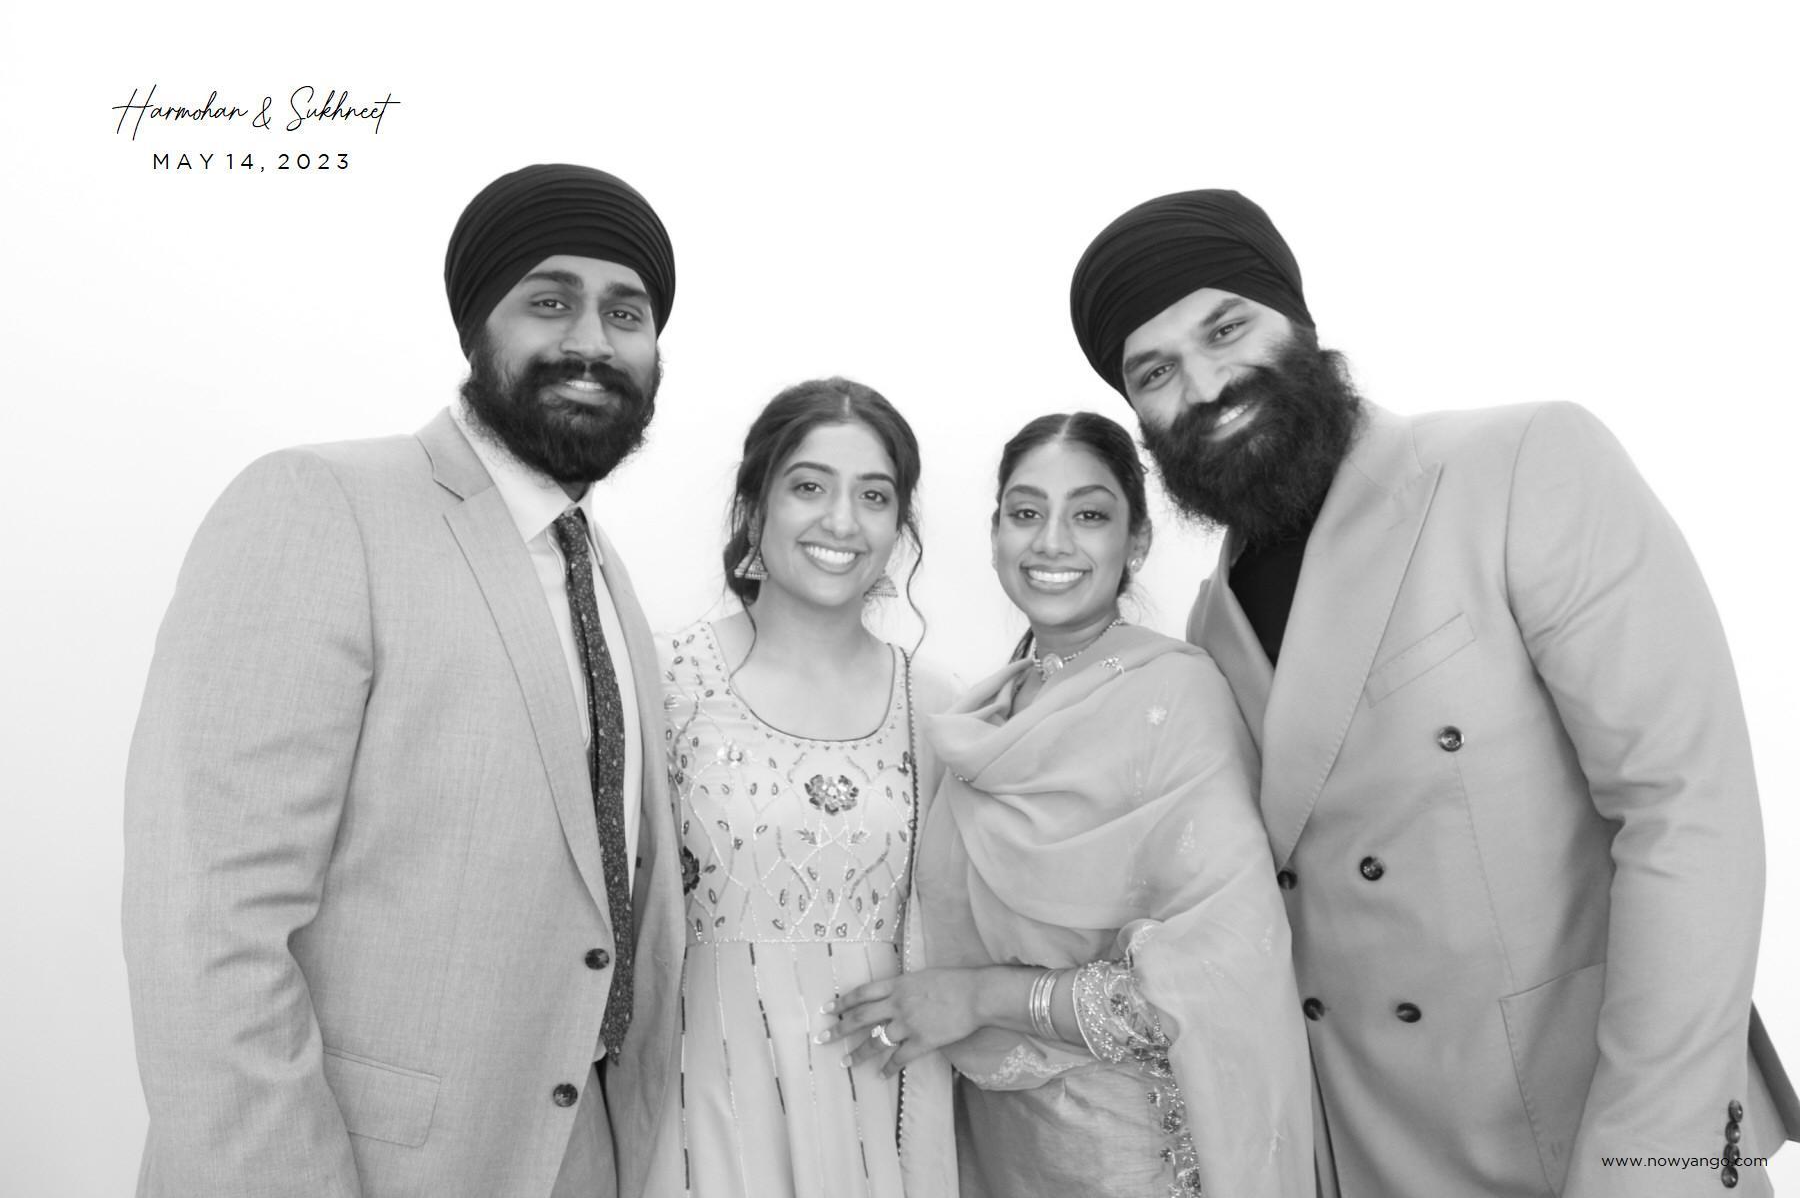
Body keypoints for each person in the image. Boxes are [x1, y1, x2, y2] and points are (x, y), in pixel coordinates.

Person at [1067, 188, 1799, 1196]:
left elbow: (1689, 817)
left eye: (1226, 328)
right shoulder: (1207, 630)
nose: (1206, 384)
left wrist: (1652, 1163)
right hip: (1373, 1156)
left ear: (1299, 322)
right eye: (1155, 371)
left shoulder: (1521, 464)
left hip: (1589, 1137)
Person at [123, 163, 687, 1198]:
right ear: (478, 326)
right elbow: (207, 918)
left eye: (627, 312)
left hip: (582, 1155)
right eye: (550, 301)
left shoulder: (604, 574)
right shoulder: (323, 504)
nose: (593, 341)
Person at [828, 412, 1312, 1197]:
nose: (1051, 542)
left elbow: (1216, 975)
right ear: (996, 535)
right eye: (1026, 513)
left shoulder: (1175, 695)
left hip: (1129, 1155)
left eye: (1088, 515)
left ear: (1137, 541)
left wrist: (979, 995)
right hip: (995, 1148)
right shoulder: (987, 711)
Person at [652, 377, 958, 1197]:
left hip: (879, 1109)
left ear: (899, 527)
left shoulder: (939, 707)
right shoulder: (665, 680)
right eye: (810, 487)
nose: (842, 521)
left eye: (874, 496)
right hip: (703, 1099)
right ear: (755, 506)